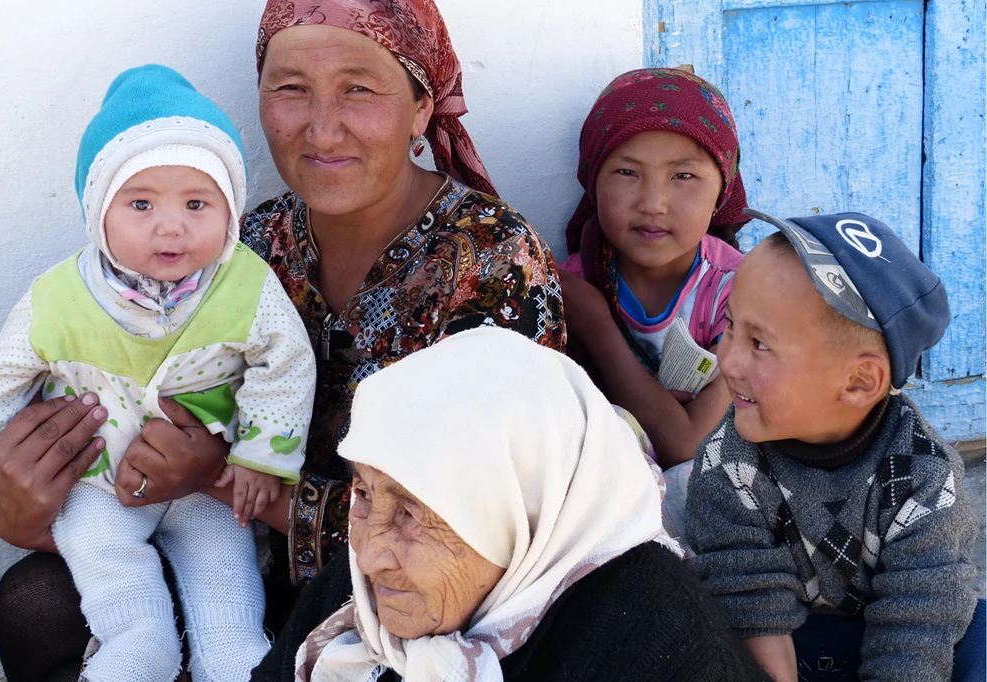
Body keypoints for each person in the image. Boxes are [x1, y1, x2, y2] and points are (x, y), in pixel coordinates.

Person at [0, 2, 565, 679]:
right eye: (291, 88)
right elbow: (128, 413)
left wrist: (218, 479)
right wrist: (26, 501)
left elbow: (490, 528)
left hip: (408, 607)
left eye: (359, 87)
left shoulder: (492, 260)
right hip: (235, 573)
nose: (322, 126)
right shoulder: (242, 247)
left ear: (420, 107)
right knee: (32, 603)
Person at [0, 64, 318, 681]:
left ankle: (235, 661)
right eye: (140, 203)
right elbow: (5, 373)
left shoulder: (246, 283)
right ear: (97, 211)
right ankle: (135, 654)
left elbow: (285, 364)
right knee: (113, 577)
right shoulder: (60, 296)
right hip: (99, 483)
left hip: (209, 486)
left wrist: (262, 457)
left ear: (230, 211)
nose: (171, 225)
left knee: (226, 588)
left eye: (197, 202)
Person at [250, 327, 771, 682]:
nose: (367, 555)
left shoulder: (656, 646)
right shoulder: (362, 591)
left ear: (521, 510)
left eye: (411, 513)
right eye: (363, 493)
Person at [685, 209, 985, 682]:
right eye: (730, 326)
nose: (729, 360)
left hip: (892, 638)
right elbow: (748, 604)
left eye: (760, 344)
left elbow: (919, 622)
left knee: (976, 630)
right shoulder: (728, 462)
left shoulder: (925, 478)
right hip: (787, 642)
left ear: (859, 382)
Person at [557, 68, 750, 539]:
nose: (654, 202)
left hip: (725, 506)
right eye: (626, 172)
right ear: (592, 180)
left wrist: (598, 328)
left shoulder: (739, 291)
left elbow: (686, 446)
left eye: (683, 175)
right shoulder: (568, 286)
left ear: (721, 188)